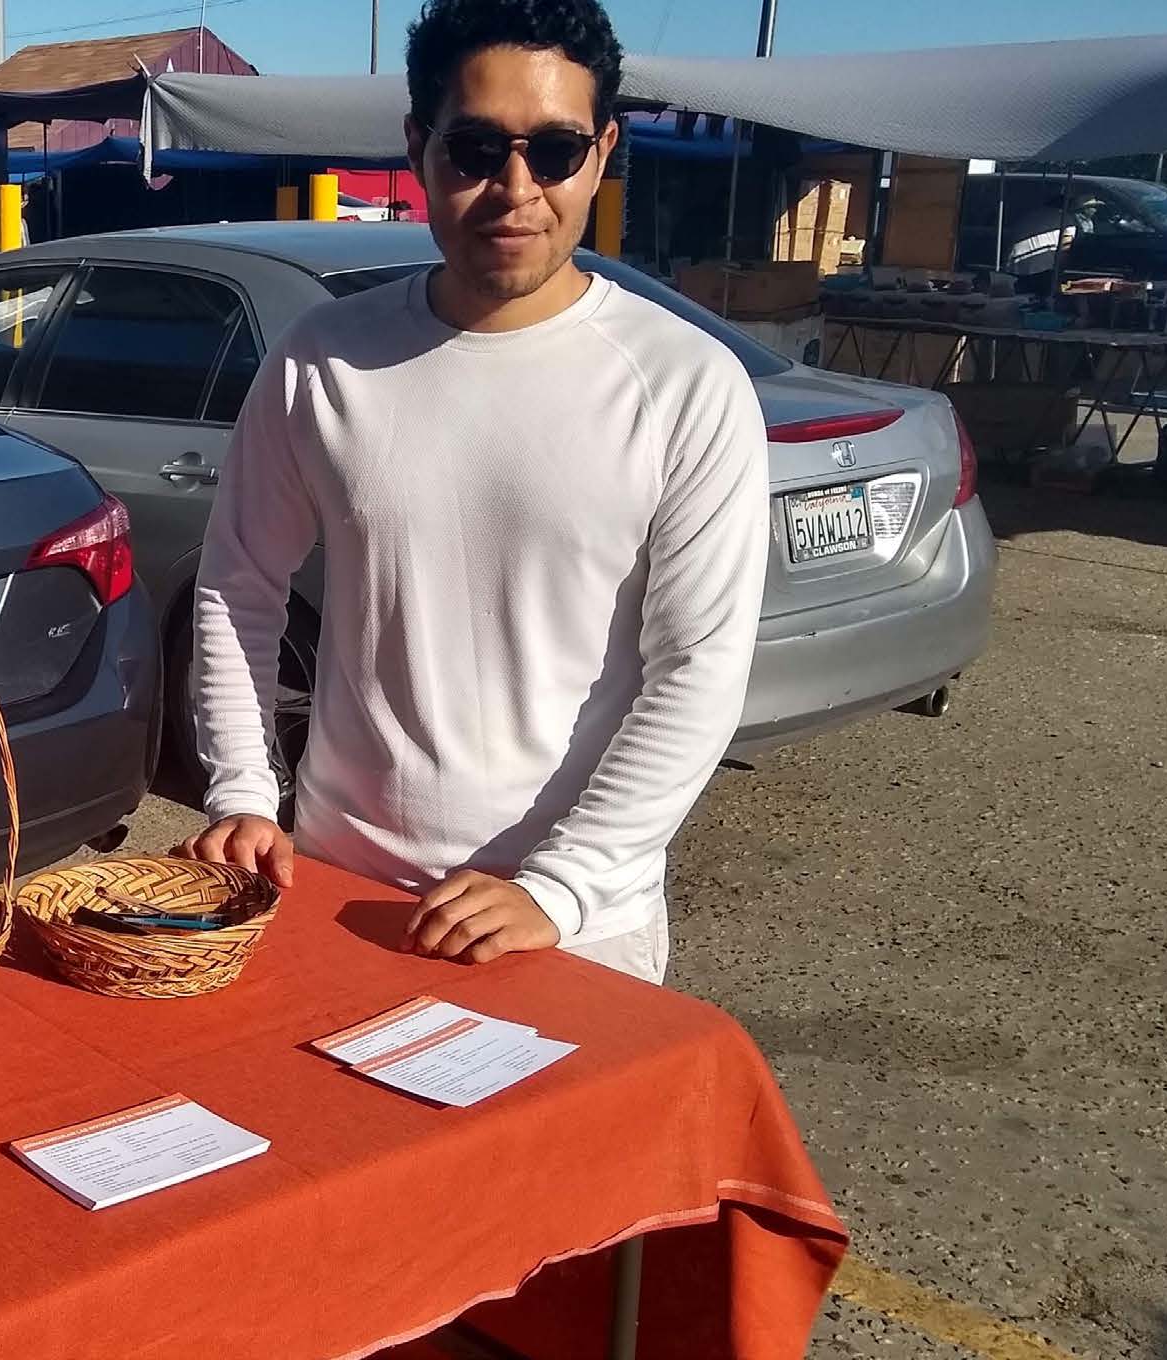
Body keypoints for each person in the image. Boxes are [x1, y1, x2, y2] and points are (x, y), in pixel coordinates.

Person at [179, 0, 768, 984]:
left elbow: (698, 666)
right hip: (339, 895)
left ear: (604, 151)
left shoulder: (684, 385)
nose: (516, 187)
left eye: (556, 148)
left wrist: (560, 885)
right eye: (476, 147)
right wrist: (242, 791)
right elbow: (237, 584)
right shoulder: (323, 360)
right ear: (418, 147)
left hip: (575, 928)